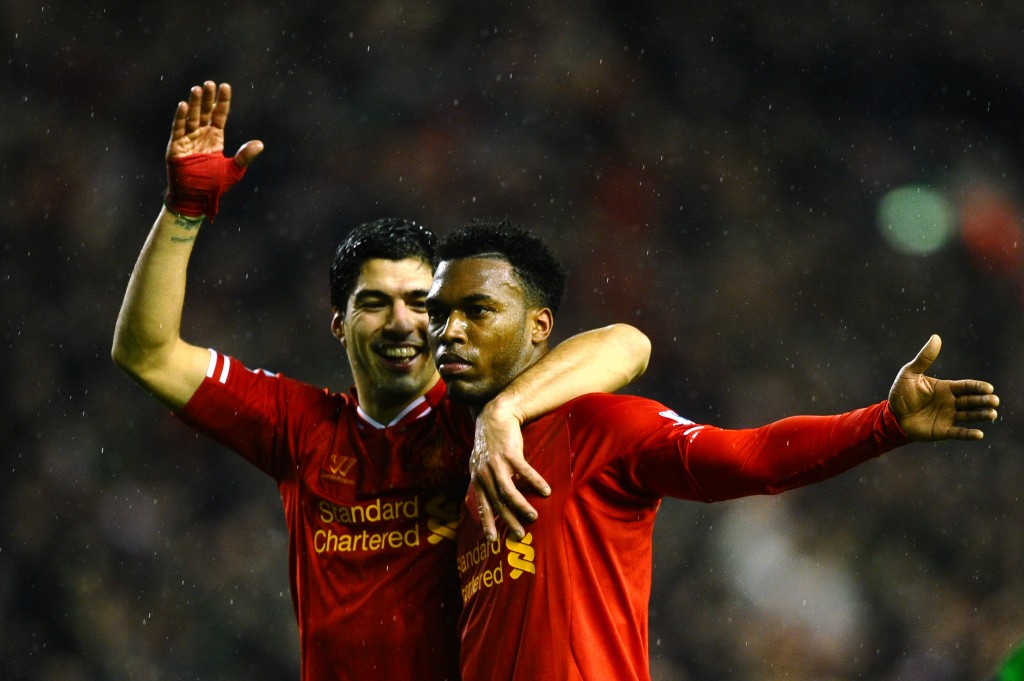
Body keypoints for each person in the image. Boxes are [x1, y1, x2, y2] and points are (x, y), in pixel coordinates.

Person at [111, 82, 651, 681]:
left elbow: (627, 343)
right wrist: (184, 209)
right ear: (340, 325)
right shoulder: (299, 426)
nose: (401, 322)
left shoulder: (474, 414)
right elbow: (146, 353)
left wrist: (506, 413)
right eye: (375, 302)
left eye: (420, 302)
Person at [423, 219, 1001, 681]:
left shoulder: (593, 427)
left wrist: (884, 422)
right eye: (440, 314)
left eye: (478, 311)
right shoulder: (457, 462)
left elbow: (750, 457)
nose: (450, 331)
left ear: (538, 326)